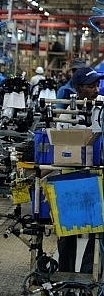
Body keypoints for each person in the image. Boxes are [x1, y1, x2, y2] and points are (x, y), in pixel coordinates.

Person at [56, 66, 104, 274]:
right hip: (70, 176)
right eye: (90, 85)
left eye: (96, 84)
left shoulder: (101, 106)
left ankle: (89, 275)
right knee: (67, 229)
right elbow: (60, 140)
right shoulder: (67, 111)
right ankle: (66, 274)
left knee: (96, 229)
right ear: (78, 88)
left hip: (97, 174)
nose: (95, 89)